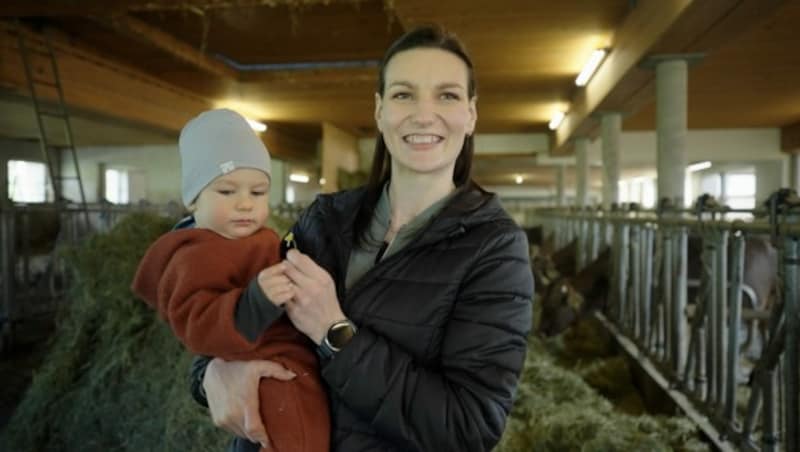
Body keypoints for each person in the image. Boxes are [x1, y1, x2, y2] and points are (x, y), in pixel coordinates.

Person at [192, 26, 534, 452]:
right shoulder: (325, 218)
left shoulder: (494, 249)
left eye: (446, 95)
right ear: (379, 111)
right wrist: (210, 372)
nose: (423, 115)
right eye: (403, 94)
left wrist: (333, 331)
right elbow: (238, 309)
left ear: (471, 115)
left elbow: (468, 426)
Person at [131, 108, 329, 452]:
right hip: (267, 366)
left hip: (294, 355)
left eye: (258, 192)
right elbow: (197, 326)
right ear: (193, 199)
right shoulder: (194, 256)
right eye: (226, 192)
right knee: (295, 432)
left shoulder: (260, 237)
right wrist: (256, 300)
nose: (244, 204)